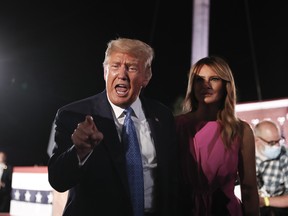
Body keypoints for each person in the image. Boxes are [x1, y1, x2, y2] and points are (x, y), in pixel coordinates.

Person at [48, 38, 179, 216]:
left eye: (131, 68)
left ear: (146, 77)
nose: (122, 75)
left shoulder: (162, 116)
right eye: (115, 66)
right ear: (105, 72)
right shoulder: (73, 115)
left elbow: (172, 180)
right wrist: (79, 151)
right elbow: (58, 180)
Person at [175, 56, 260, 215]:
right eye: (199, 80)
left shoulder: (241, 130)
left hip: (225, 210)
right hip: (185, 210)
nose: (205, 85)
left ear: (225, 85)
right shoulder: (176, 126)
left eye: (213, 79)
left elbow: (249, 187)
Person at [254, 120, 288, 216]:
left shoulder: (284, 156)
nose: (277, 146)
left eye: (279, 140)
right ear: (257, 140)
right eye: (272, 142)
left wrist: (265, 201)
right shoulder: (246, 158)